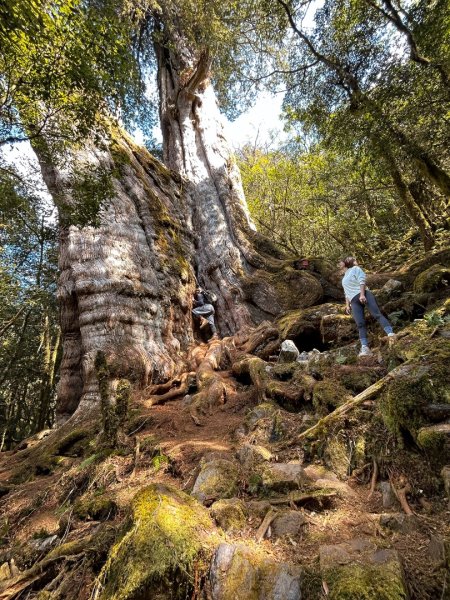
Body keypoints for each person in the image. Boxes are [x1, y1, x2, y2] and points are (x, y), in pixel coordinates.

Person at [339, 256, 395, 356]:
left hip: (364, 294)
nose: (339, 263)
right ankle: (365, 348)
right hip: (354, 302)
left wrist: (362, 294)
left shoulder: (356, 269)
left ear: (347, 262)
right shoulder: (344, 278)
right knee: (360, 323)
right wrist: (347, 306)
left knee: (376, 314)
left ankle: (390, 334)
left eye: (341, 261)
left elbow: (362, 281)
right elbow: (346, 293)